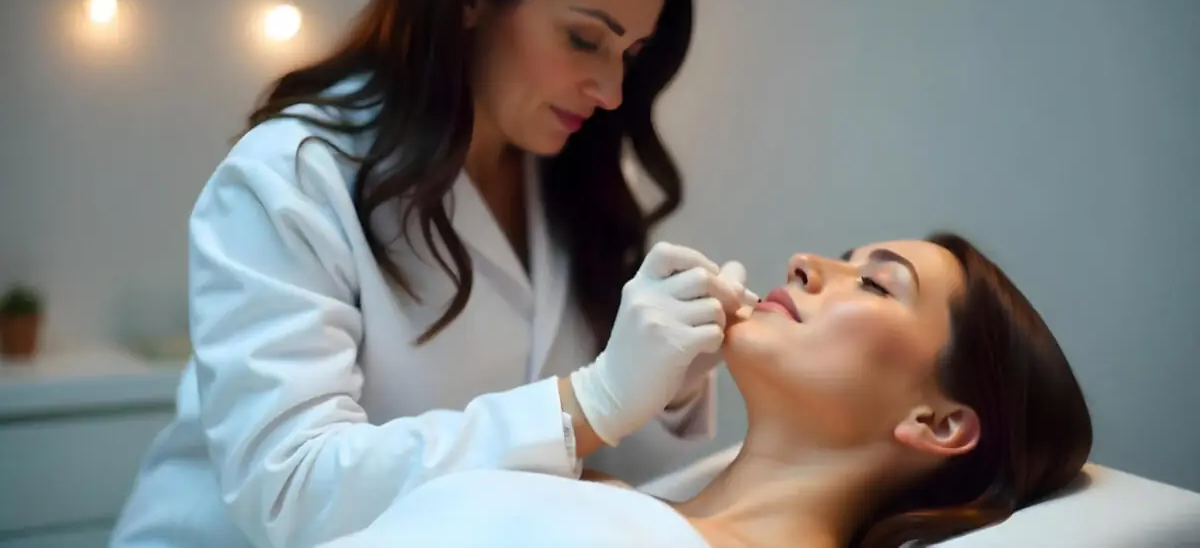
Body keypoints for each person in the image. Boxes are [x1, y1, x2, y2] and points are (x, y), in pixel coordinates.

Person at [111, 0, 757, 547]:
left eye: (631, 54)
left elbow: (612, 491)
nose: (611, 91)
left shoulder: (574, 186)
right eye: (585, 39)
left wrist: (665, 385)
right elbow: (291, 491)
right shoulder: (297, 175)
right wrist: (587, 403)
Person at [315, 233, 1095, 548]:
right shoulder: (619, 503)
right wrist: (591, 406)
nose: (805, 262)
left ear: (937, 422)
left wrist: (595, 406)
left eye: (877, 284)